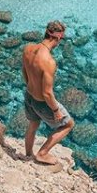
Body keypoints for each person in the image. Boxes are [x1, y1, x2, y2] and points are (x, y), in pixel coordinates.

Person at [21, 20, 75, 165]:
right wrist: (56, 110)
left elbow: (24, 73)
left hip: (28, 95)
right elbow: (47, 93)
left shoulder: (28, 48)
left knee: (33, 125)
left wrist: (31, 87)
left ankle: (28, 155)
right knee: (68, 125)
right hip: (41, 102)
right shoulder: (49, 62)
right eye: (61, 39)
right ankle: (42, 153)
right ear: (57, 38)